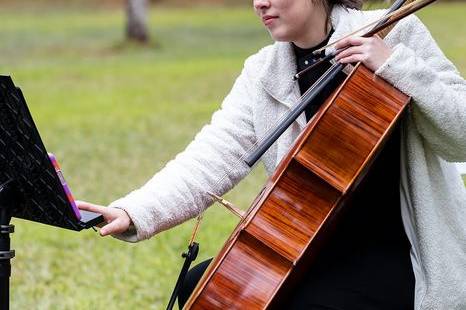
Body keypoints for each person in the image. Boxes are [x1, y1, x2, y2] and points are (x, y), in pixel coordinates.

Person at [78, 0, 466, 309]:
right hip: (308, 249)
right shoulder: (263, 72)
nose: (260, 3)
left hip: (399, 253)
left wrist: (395, 65)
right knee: (206, 286)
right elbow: (210, 156)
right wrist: (134, 211)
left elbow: (460, 136)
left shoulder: (396, 32)